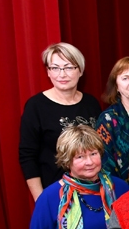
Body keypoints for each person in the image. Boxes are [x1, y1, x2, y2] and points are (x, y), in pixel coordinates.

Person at [20, 43, 102, 200]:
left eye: (69, 67)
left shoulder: (91, 103)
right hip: (56, 193)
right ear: (48, 72)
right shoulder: (36, 106)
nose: (62, 74)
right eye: (55, 68)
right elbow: (27, 156)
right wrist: (41, 199)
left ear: (80, 71)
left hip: (93, 189)